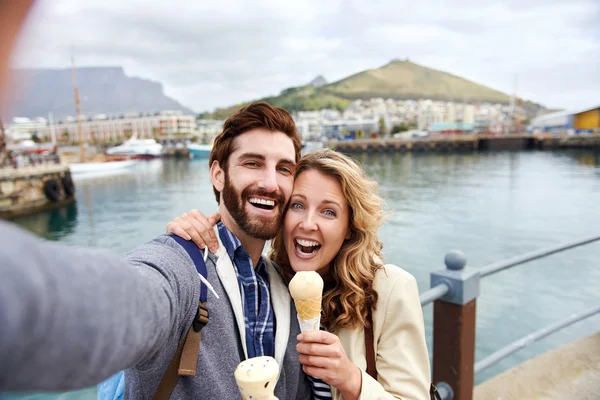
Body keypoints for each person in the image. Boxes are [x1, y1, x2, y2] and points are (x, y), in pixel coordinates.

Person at [0, 101, 313, 400]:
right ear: (218, 175)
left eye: (284, 169)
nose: (271, 183)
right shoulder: (181, 265)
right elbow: (129, 301)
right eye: (253, 163)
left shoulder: (285, 287)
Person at [167, 148, 432, 399]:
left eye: (328, 211)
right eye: (297, 205)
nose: (307, 224)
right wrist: (190, 234)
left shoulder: (389, 289)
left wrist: (350, 378)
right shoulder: (269, 281)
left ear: (349, 226)